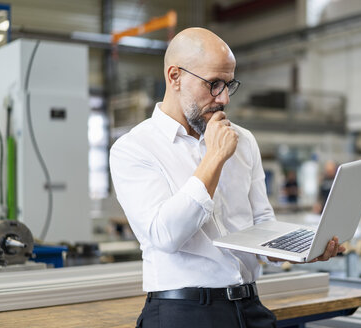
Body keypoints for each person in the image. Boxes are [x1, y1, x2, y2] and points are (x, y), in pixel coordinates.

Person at [110, 27, 345, 328]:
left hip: (249, 307)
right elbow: (164, 236)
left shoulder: (243, 140)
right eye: (213, 84)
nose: (223, 99)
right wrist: (215, 158)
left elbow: (262, 222)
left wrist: (298, 250)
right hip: (183, 313)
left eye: (228, 84)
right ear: (174, 77)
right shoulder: (134, 148)